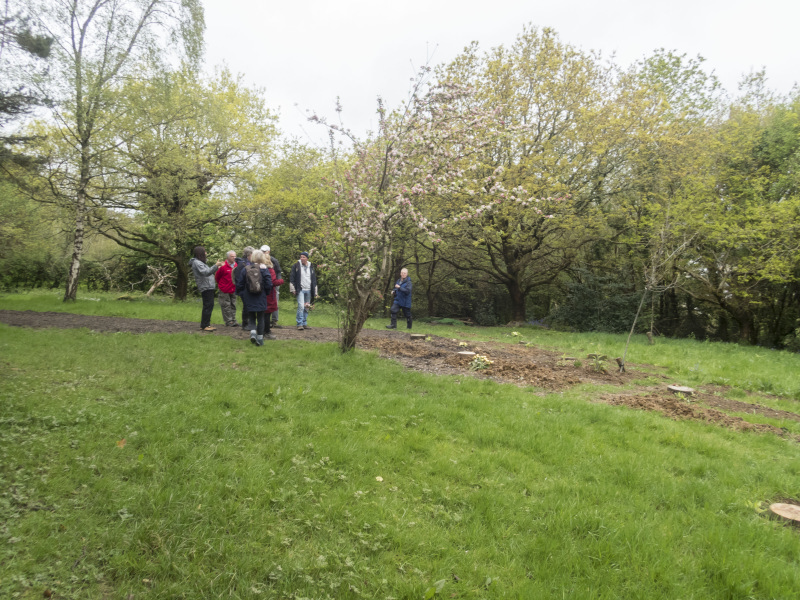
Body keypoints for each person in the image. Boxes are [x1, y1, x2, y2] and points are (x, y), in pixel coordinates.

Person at [236, 249, 273, 346]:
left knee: (251, 315)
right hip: (261, 295)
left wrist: (241, 293)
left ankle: (252, 332)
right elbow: (269, 283)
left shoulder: (246, 268)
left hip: (249, 295)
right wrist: (267, 292)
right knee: (261, 317)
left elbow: (240, 283)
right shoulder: (264, 269)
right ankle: (260, 339)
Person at [189, 246, 223, 331]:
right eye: (205, 252)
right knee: (208, 305)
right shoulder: (197, 263)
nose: (206, 253)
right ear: (200, 253)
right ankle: (205, 325)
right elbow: (206, 272)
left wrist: (216, 267)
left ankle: (205, 324)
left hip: (208, 286)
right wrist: (216, 265)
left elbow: (208, 271)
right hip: (206, 286)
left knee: (209, 305)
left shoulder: (201, 263)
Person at [289, 251, 318, 331]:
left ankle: (304, 323)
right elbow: (292, 277)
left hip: (309, 289)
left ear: (307, 258)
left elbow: (314, 279)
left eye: (303, 257)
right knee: (301, 306)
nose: (302, 258)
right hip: (300, 289)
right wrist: (293, 289)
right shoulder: (296, 266)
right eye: (301, 257)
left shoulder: (311, 266)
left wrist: (315, 291)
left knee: (307, 307)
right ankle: (299, 323)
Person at [263, 248, 284, 340]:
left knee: (263, 313)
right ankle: (267, 331)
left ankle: (262, 330)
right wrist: (281, 281)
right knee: (267, 313)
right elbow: (273, 282)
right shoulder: (270, 270)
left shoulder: (259, 268)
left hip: (261, 293)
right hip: (269, 293)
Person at [214, 250, 239, 327]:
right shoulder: (223, 266)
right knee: (226, 305)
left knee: (233, 304)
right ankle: (228, 321)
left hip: (233, 288)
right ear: (228, 257)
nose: (234, 258)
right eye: (232, 256)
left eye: (235, 256)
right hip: (224, 289)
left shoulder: (236, 265)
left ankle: (233, 319)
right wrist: (222, 285)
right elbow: (217, 277)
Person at [260, 244, 282, 328]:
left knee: (275, 302)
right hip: (265, 286)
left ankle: (274, 320)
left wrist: (277, 284)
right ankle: (264, 321)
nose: (263, 253)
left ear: (268, 252)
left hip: (273, 284)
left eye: (264, 251)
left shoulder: (274, 260)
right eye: (262, 251)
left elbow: (278, 272)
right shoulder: (259, 260)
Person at [234, 246, 254, 330]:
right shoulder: (242, 264)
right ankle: (245, 324)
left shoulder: (251, 263)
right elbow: (238, 279)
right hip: (244, 289)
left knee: (249, 306)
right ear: (249, 254)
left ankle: (250, 323)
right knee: (246, 306)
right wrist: (242, 290)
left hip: (251, 289)